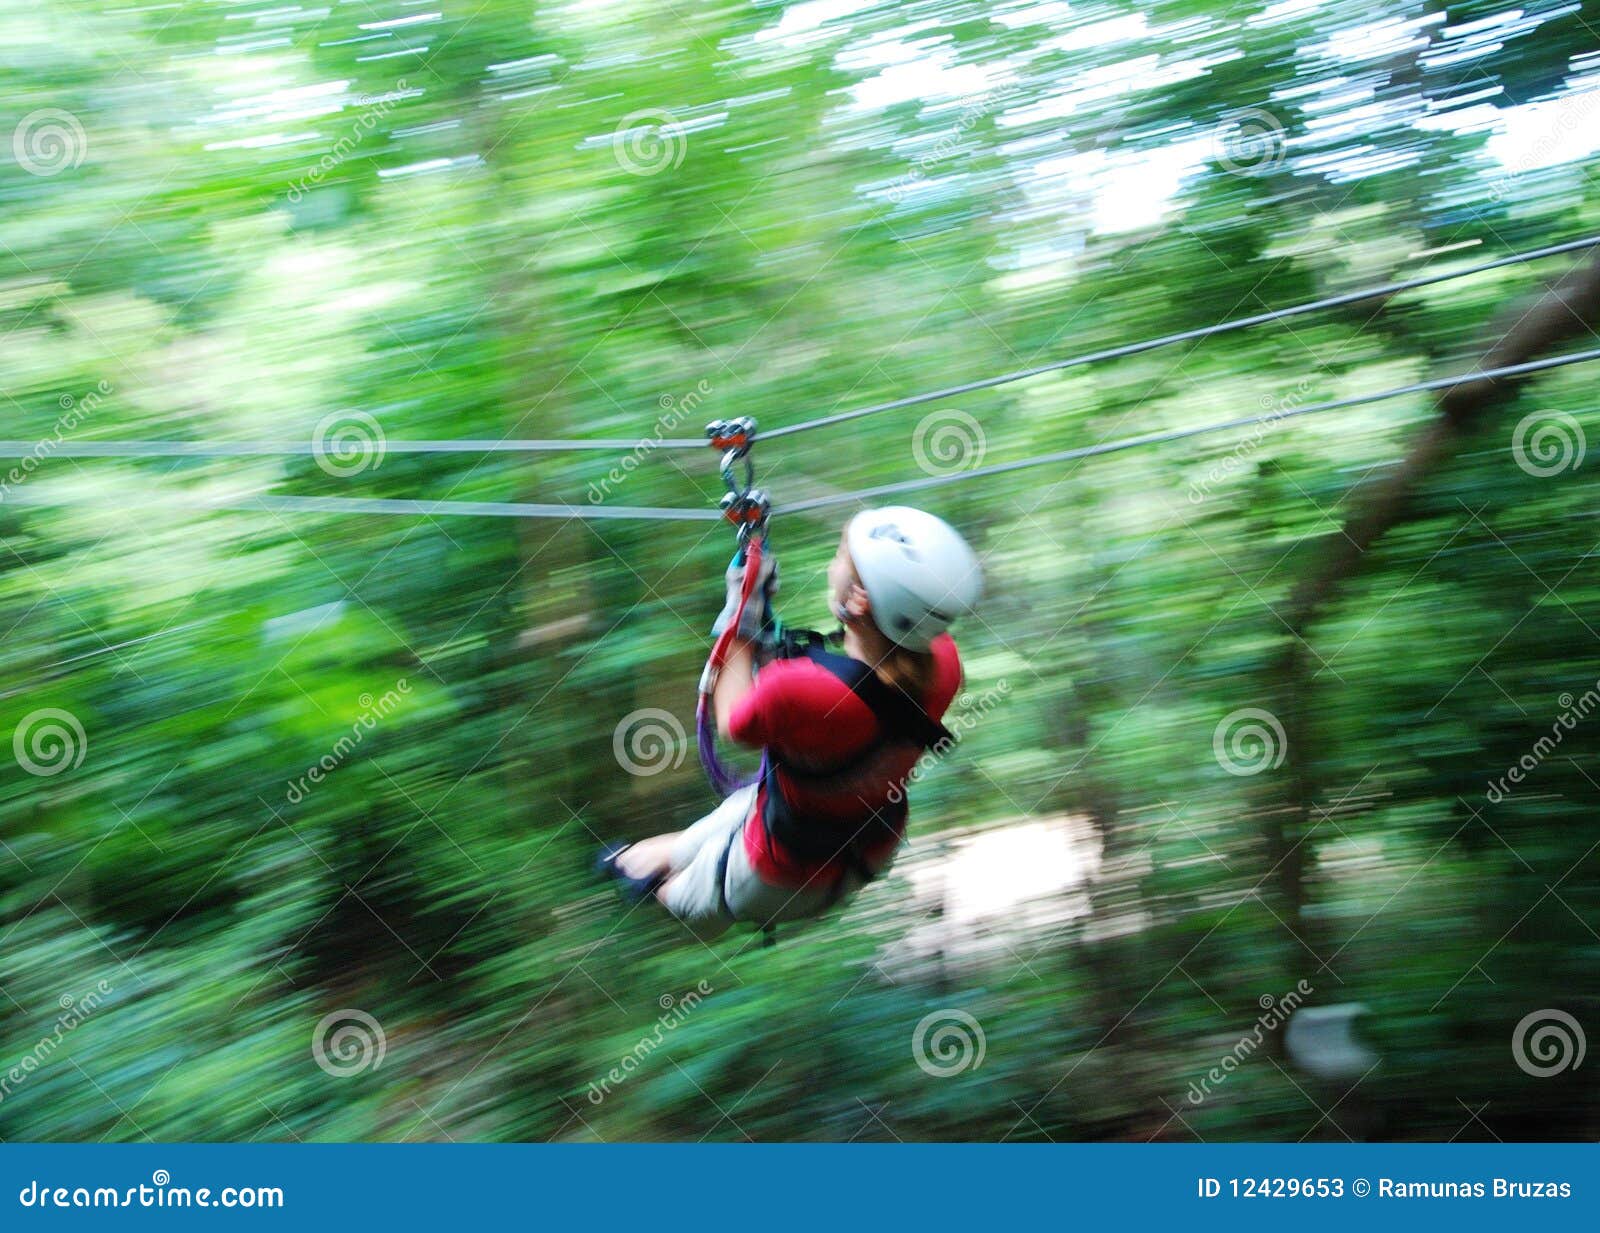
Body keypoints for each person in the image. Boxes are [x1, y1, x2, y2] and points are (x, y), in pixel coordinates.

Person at [600, 505, 983, 939]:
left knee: (678, 895)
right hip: (865, 843)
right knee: (686, 843)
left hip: (778, 875)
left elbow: (733, 723)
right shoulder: (944, 667)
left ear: (859, 598)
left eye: (840, 556)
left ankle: (641, 879)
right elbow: (883, 656)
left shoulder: (797, 691)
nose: (831, 564)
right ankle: (633, 861)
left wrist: (740, 613)